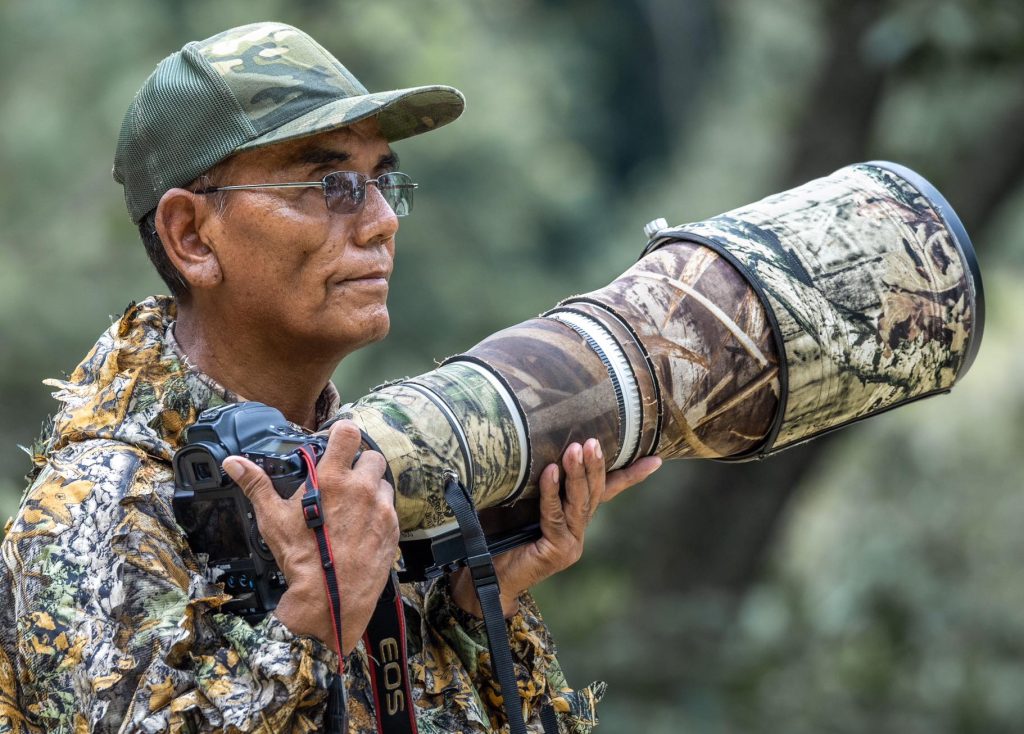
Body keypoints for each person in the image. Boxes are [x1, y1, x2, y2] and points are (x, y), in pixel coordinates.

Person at [0, 21, 660, 734]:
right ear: (192, 236)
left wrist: (475, 607)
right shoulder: (96, 507)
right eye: (330, 184)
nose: (381, 223)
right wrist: (314, 622)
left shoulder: (370, 474)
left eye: (382, 182)